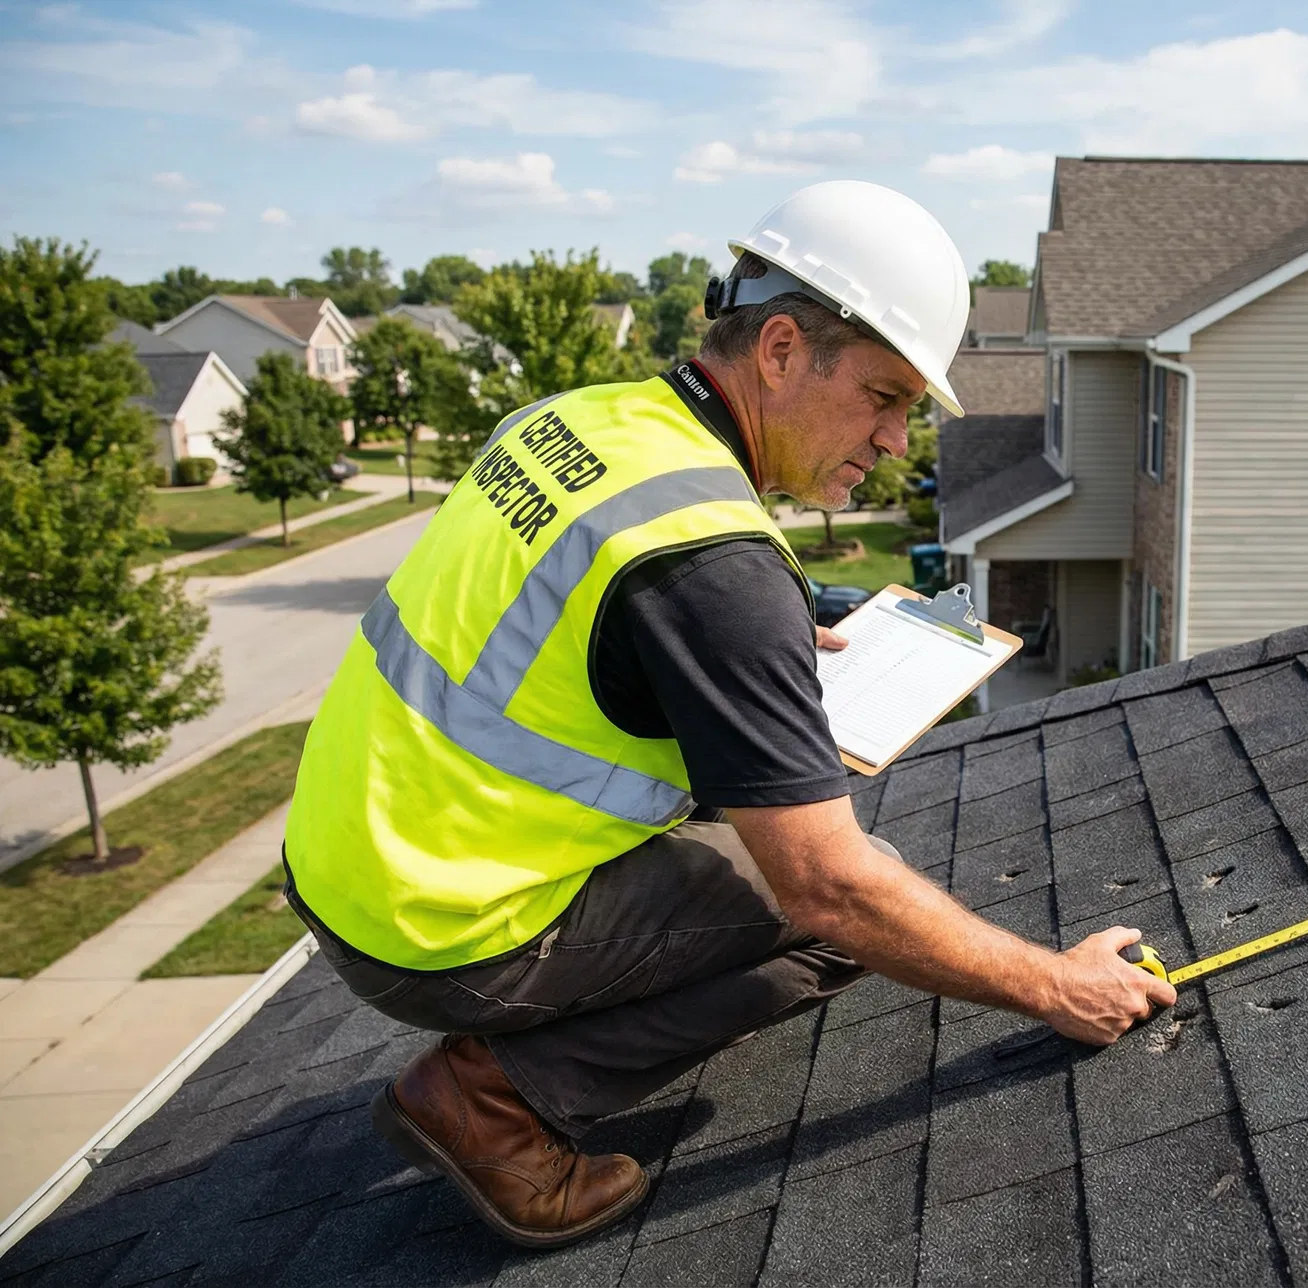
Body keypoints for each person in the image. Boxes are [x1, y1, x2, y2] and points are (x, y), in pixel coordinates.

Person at [281, 180, 1176, 1249]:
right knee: (839, 915)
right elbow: (832, 885)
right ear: (785, 348)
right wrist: (1056, 987)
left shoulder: (578, 421)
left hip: (350, 863)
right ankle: (497, 1101)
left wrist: (763, 628)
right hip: (440, 930)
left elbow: (576, 624)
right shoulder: (716, 572)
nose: (896, 441)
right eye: (885, 397)